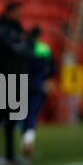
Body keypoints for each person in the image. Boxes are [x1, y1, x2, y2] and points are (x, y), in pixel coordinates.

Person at [0, 1, 30, 165]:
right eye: (17, 12)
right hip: (6, 77)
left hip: (17, 76)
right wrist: (22, 44)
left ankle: (10, 155)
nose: (19, 16)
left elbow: (25, 49)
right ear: (9, 13)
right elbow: (17, 49)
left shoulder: (16, 30)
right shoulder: (2, 32)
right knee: (2, 115)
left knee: (12, 118)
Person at [22, 27, 55, 157]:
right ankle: (28, 139)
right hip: (38, 84)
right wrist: (45, 79)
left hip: (23, 84)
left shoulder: (24, 47)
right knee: (33, 113)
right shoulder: (44, 49)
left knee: (24, 113)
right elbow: (52, 68)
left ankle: (25, 139)